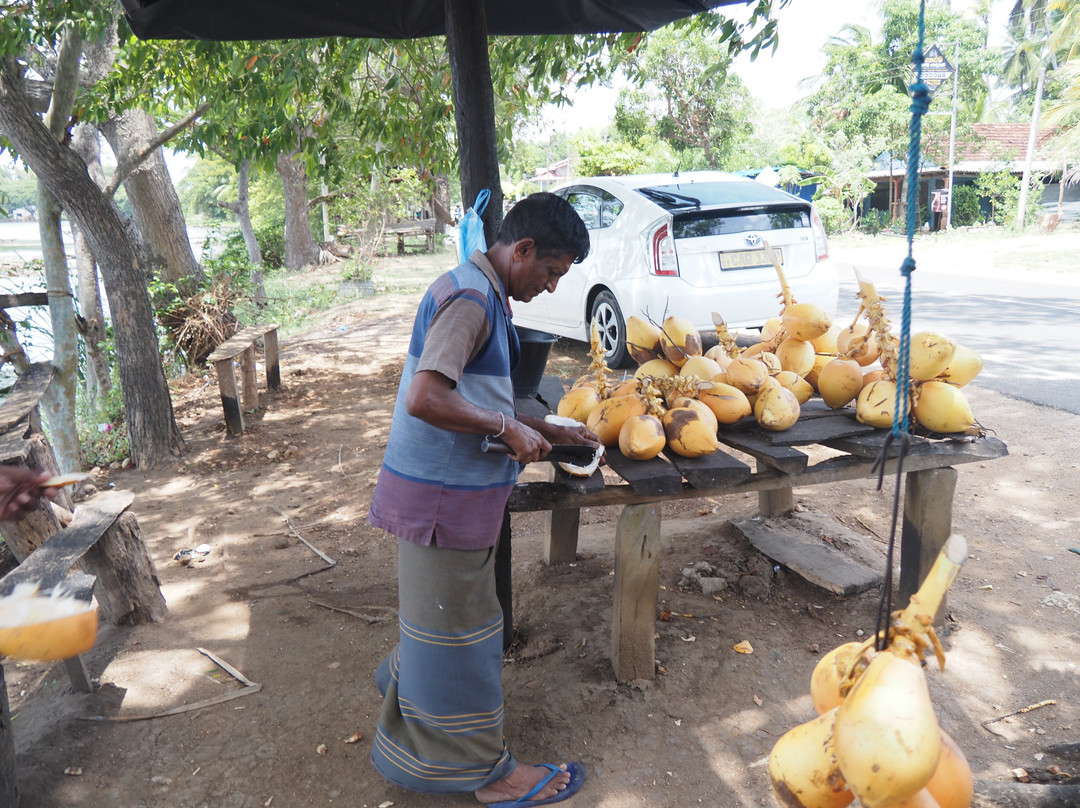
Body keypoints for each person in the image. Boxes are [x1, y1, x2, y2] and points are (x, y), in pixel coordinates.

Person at [368, 193, 596, 807]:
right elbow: (426, 398)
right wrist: (506, 430)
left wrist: (546, 427)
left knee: (448, 621)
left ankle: (408, 690)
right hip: (441, 501)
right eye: (549, 272)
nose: (550, 288)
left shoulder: (483, 291)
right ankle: (487, 775)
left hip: (445, 496)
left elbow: (475, 392)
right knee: (466, 638)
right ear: (520, 250)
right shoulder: (471, 301)